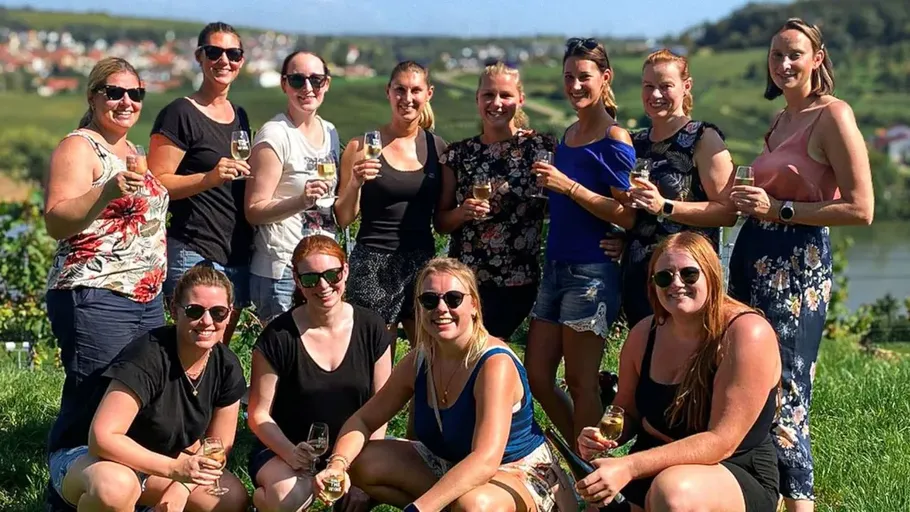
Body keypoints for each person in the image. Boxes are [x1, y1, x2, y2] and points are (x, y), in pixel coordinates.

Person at [728, 18, 873, 512]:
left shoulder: (833, 115)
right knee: (751, 384)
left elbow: (862, 208)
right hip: (753, 258)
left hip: (796, 267)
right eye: (776, 56)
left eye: (794, 54)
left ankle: (801, 505)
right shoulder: (783, 119)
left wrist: (780, 209)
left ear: (817, 58)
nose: (784, 63)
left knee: (787, 394)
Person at [312, 258, 576, 512]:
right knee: (362, 462)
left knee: (474, 505)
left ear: (474, 304)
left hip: (513, 472)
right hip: (449, 465)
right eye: (429, 300)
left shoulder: (494, 364)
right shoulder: (419, 359)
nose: (441, 308)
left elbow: (485, 460)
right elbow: (363, 420)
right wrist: (338, 464)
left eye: (453, 299)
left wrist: (419, 508)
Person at [576, 231, 781, 512]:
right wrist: (601, 436)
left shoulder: (747, 333)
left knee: (673, 492)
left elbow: (721, 442)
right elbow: (627, 411)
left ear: (712, 275)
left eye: (689, 274)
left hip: (730, 469)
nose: (676, 284)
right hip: (654, 461)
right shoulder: (643, 334)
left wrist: (629, 466)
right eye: (664, 277)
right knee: (599, 503)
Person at [43, 57, 169, 489]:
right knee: (95, 393)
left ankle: (125, 480)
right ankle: (72, 483)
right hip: (96, 293)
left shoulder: (133, 153)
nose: (126, 102)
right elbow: (57, 221)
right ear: (94, 96)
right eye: (114, 92)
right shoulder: (79, 147)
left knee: (134, 394)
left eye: (135, 94)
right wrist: (105, 190)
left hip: (146, 298)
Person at [46, 265, 249, 512]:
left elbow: (218, 446)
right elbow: (102, 438)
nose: (206, 321)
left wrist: (182, 487)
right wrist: (175, 471)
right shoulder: (148, 356)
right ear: (174, 310)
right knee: (116, 488)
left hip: (159, 463)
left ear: (229, 315)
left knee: (229, 498)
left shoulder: (226, 365)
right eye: (194, 311)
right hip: (92, 458)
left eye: (218, 312)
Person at [525, 38, 635, 447]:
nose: (574, 86)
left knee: (579, 381)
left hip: (591, 271)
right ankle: (584, 452)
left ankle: (589, 481)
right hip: (554, 268)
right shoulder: (569, 134)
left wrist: (568, 187)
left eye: (583, 77)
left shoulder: (615, 138)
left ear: (605, 79)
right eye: (568, 77)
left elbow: (627, 214)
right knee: (537, 374)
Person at [247, 235, 394, 512]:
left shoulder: (371, 327)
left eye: (331, 275)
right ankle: (261, 502)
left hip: (353, 449)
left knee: (358, 498)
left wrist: (362, 460)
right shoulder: (278, 337)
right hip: (288, 449)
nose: (324, 286)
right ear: (297, 280)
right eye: (311, 278)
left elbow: (382, 406)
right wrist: (290, 453)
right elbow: (258, 415)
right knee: (290, 497)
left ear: (346, 271)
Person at [616, 48, 737, 327]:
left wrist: (665, 206)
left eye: (665, 86)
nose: (655, 95)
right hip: (639, 276)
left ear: (686, 86)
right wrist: (618, 234)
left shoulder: (703, 139)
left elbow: (728, 212)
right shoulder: (635, 142)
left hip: (686, 280)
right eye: (648, 86)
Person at [149, 21, 253, 344]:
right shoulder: (180, 113)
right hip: (195, 248)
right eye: (215, 52)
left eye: (233, 54)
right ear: (199, 56)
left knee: (217, 351)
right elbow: (157, 183)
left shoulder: (240, 115)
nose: (224, 61)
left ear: (242, 61)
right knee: (189, 348)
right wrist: (209, 178)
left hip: (236, 253)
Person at [435, 61, 556, 340]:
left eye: (505, 95)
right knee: (469, 355)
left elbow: (562, 200)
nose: (496, 103)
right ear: (477, 99)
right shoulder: (458, 154)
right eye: (488, 95)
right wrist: (462, 213)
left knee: (488, 352)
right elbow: (441, 222)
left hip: (517, 282)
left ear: (520, 99)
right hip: (465, 283)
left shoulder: (541, 148)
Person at [336, 60, 446, 343]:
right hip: (372, 261)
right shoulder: (359, 147)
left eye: (415, 90)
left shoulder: (439, 148)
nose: (407, 99)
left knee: (429, 353)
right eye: (400, 90)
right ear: (388, 92)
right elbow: (344, 217)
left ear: (428, 94)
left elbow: (443, 217)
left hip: (421, 261)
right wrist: (354, 183)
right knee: (377, 356)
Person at [245, 51, 341, 323]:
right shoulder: (275, 135)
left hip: (322, 270)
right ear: (284, 84)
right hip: (282, 271)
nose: (308, 88)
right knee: (283, 358)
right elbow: (253, 210)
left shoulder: (330, 132)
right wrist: (301, 200)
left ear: (327, 84)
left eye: (316, 80)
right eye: (298, 80)